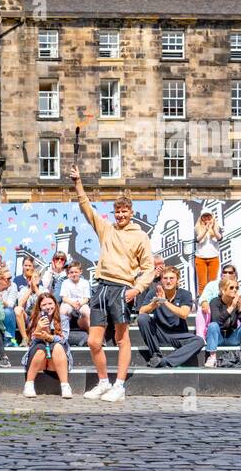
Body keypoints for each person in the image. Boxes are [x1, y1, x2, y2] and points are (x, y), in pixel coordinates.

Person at [70, 165, 155, 402]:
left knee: (121, 339)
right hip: (101, 287)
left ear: (131, 212)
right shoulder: (106, 229)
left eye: (124, 212)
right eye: (117, 212)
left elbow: (148, 268)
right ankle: (104, 382)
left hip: (121, 289)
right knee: (94, 340)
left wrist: (136, 289)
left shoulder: (140, 236)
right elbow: (87, 208)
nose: (120, 215)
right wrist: (78, 182)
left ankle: (119, 386)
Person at [136, 267, 204, 368]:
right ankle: (156, 354)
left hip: (179, 335)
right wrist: (155, 303)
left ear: (177, 280)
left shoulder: (185, 294)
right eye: (165, 278)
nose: (168, 281)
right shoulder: (154, 293)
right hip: (160, 333)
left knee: (199, 341)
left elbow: (184, 314)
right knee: (143, 318)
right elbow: (141, 312)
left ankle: (165, 361)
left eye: (171, 278)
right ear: (161, 280)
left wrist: (164, 301)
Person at [22, 292, 72, 398]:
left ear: (55, 304)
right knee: (41, 349)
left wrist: (50, 337)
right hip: (39, 357)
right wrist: (38, 328)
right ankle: (29, 385)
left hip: (56, 360)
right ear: (39, 307)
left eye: (50, 303)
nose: (48, 307)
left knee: (58, 346)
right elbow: (31, 340)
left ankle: (65, 386)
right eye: (44, 305)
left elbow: (64, 339)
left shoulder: (62, 318)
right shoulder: (35, 318)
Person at [204, 275, 241, 368]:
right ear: (223, 290)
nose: (235, 290)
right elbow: (216, 321)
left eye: (236, 288)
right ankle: (212, 358)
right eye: (231, 287)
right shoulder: (215, 302)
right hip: (218, 338)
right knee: (212, 325)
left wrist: (240, 307)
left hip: (232, 337)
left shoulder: (238, 301)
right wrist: (231, 308)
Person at [196, 264, 238, 338]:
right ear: (221, 274)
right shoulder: (212, 284)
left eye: (230, 272)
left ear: (235, 275)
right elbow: (202, 298)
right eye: (224, 272)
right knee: (201, 309)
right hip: (213, 311)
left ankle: (238, 336)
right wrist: (204, 303)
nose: (227, 274)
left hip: (231, 313)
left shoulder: (238, 287)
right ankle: (200, 337)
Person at [193, 211, 222, 297]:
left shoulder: (217, 226)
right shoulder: (197, 227)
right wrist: (205, 229)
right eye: (204, 216)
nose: (207, 218)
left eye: (208, 216)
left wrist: (213, 229)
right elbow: (197, 240)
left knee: (213, 282)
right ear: (201, 218)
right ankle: (203, 303)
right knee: (202, 283)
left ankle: (212, 301)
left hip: (213, 257)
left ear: (212, 217)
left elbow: (220, 238)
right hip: (200, 258)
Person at [58, 261, 91, 336]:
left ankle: (91, 334)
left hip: (81, 303)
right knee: (62, 311)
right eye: (71, 272)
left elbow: (86, 298)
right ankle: (63, 334)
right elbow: (64, 298)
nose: (74, 274)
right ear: (69, 273)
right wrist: (72, 303)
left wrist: (80, 304)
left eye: (76, 272)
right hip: (68, 303)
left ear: (80, 272)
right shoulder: (65, 282)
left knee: (87, 312)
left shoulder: (85, 282)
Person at [13, 267, 43, 344]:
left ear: (39, 279)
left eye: (35, 277)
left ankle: (35, 338)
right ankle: (25, 338)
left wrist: (35, 288)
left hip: (39, 317)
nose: (33, 280)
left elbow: (44, 300)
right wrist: (30, 289)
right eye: (30, 278)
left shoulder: (43, 289)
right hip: (27, 317)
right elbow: (20, 304)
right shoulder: (24, 290)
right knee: (18, 309)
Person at [0, 268, 18, 348]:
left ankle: (10, 339)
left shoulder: (13, 286)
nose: (10, 281)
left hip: (8, 314)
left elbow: (10, 304)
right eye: (8, 279)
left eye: (11, 278)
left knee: (7, 311)